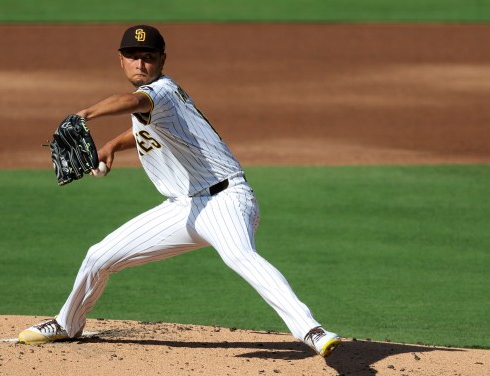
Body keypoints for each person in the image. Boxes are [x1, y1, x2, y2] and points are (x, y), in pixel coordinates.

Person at [18, 25, 342, 357]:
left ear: (162, 60)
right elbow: (149, 129)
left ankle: (312, 331)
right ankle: (67, 323)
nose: (140, 63)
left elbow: (131, 102)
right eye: (133, 56)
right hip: (181, 208)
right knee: (98, 257)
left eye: (149, 57)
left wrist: (84, 114)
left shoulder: (162, 92)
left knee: (239, 256)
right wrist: (113, 144)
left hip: (224, 200)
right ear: (121, 60)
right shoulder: (153, 104)